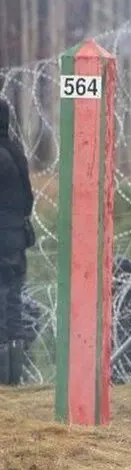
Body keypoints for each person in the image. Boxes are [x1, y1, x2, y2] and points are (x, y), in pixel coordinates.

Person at [0, 99, 35, 386]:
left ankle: (6, 380)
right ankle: (13, 378)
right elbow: (28, 198)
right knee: (11, 303)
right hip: (16, 237)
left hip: (3, 238)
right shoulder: (14, 152)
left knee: (4, 304)